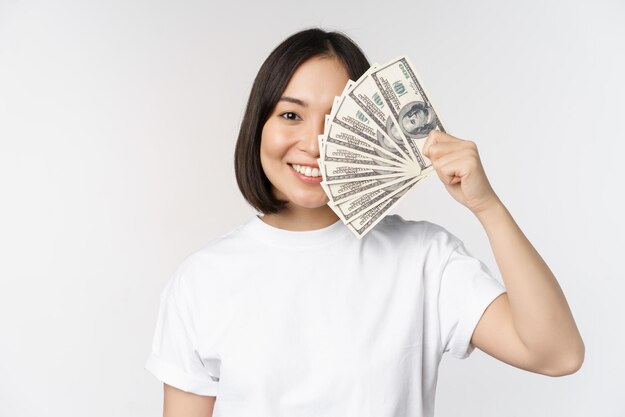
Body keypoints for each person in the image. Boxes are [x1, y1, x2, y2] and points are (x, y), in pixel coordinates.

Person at [145, 28, 585, 417]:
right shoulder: (202, 280)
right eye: (291, 115)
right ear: (258, 124)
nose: (314, 145)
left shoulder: (424, 259)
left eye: (335, 122)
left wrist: (487, 206)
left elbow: (557, 353)